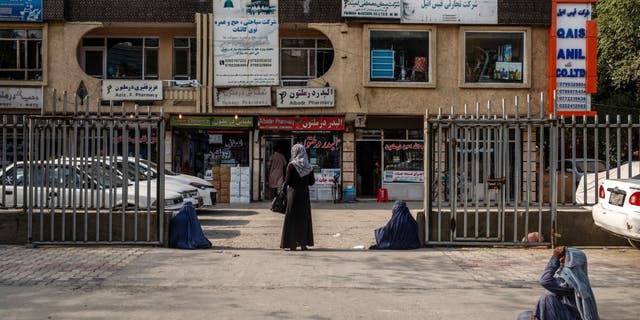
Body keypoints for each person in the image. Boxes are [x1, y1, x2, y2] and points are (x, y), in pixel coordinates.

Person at [517, 246, 599, 320]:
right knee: (524, 316)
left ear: (572, 264)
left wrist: (555, 257)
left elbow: (545, 281)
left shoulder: (572, 282)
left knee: (547, 299)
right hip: (565, 312)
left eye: (565, 258)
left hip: (573, 317)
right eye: (561, 257)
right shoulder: (578, 279)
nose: (561, 260)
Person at [280, 143, 315, 251]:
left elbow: (287, 181)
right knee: (303, 219)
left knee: (292, 219)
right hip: (304, 195)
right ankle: (303, 244)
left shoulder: (291, 165)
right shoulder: (309, 167)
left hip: (293, 195)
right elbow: (311, 182)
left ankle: (292, 244)